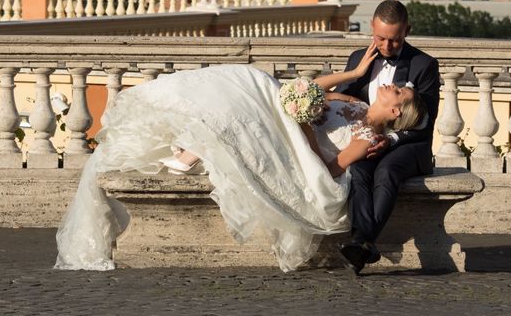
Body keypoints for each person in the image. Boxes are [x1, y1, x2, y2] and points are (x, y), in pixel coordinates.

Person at [55, 47, 426, 272]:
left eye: (397, 91)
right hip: (288, 119)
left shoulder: (365, 140)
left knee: (250, 108)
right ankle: (191, 146)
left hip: (297, 145)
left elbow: (328, 169)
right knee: (250, 80)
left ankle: (193, 150)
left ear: (395, 112)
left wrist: (303, 125)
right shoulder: (357, 103)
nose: (390, 86)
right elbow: (315, 91)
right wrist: (355, 73)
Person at [334, 0, 440, 275]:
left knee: (387, 170)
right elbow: (344, 101)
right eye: (380, 38)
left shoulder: (424, 64)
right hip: (370, 139)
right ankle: (362, 245)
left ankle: (361, 240)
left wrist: (391, 140)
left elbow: (425, 123)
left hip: (409, 145)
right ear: (371, 27)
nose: (387, 46)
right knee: (359, 166)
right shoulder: (359, 58)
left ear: (407, 30)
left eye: (394, 40)